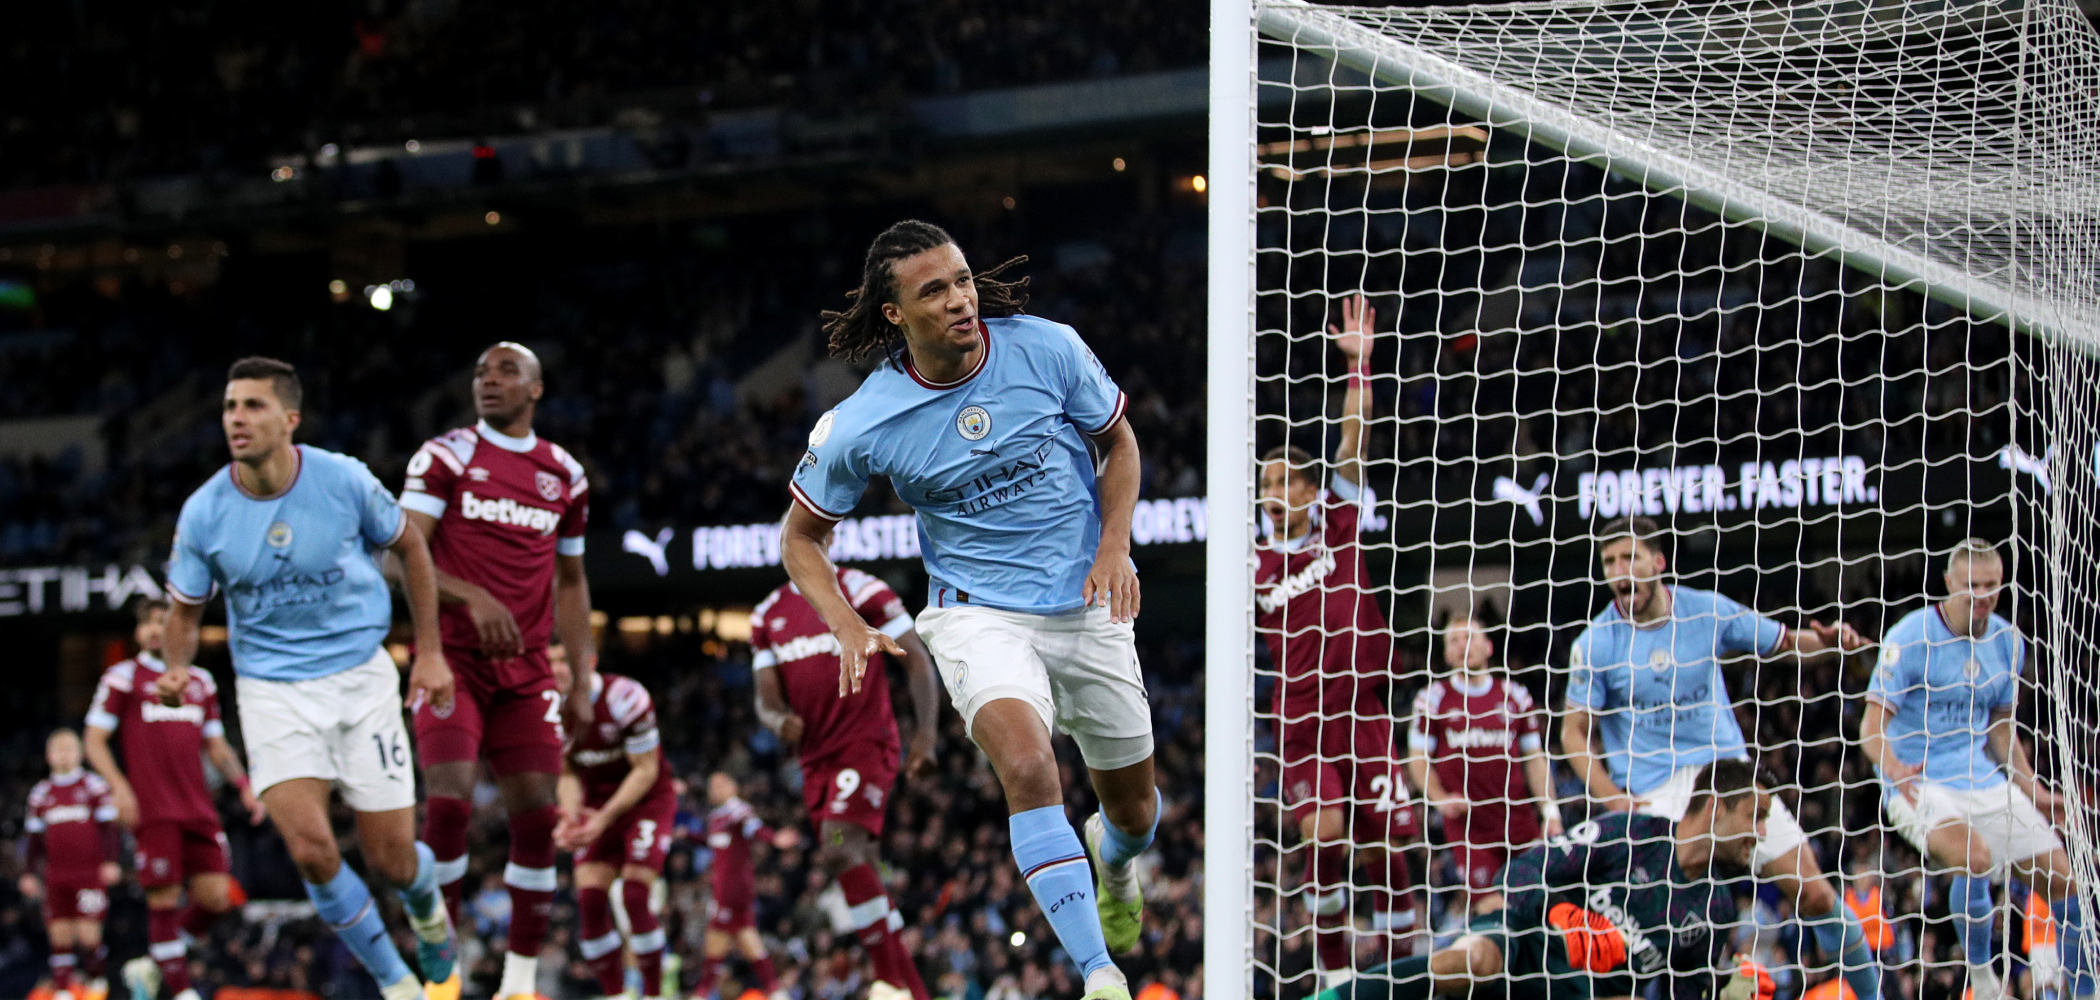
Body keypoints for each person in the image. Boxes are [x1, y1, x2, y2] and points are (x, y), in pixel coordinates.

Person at [782, 219, 1158, 1000]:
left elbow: (1119, 444)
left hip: (1087, 603)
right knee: (1026, 764)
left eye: (961, 279)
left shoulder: (1047, 347)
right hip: (975, 613)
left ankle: (1114, 860)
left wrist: (1113, 545)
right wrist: (846, 621)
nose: (960, 299)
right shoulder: (862, 422)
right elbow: (801, 540)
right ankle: (1101, 975)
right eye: (935, 291)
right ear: (895, 314)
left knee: (1136, 812)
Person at [158, 356, 457, 1000]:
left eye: (253, 406)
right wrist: (176, 670)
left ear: (291, 419)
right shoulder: (204, 511)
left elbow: (411, 547)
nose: (236, 418)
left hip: (362, 681)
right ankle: (396, 983)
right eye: (230, 406)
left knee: (393, 862)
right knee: (314, 852)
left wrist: (428, 651)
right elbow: (184, 611)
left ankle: (427, 905)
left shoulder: (343, 479)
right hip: (272, 693)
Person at [1560, 515, 1879, 1000]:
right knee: (1644, 941)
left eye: (1631, 557)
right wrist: (1613, 801)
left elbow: (1787, 644)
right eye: (1609, 561)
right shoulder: (1595, 643)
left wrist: (1832, 643)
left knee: (1815, 895)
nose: (1620, 571)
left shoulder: (1705, 611)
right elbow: (1573, 731)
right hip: (1654, 797)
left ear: (1658, 561)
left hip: (1726, 781)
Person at [396, 341, 597, 1000]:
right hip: (451, 661)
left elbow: (571, 582)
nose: (489, 380)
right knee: (448, 803)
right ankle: (441, 974)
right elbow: (399, 555)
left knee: (539, 818)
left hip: (529, 670)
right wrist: (470, 596)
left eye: (507, 371)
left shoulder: (563, 474)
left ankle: (518, 983)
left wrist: (585, 680)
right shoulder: (447, 455)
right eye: (481, 371)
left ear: (536, 389)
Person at [1256, 294, 1421, 977]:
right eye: (1264, 482)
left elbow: (1354, 440)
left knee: (1384, 850)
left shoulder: (1339, 518)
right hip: (1301, 719)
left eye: (1283, 480)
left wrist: (1359, 368)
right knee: (1323, 833)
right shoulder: (1250, 558)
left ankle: (1402, 966)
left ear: (1306, 486)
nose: (1271, 491)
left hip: (1367, 710)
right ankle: (1333, 970)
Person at [1311, 759, 1779, 1000]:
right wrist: (1566, 916)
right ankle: (1338, 995)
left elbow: (1683, 990)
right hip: (1531, 941)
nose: (1760, 835)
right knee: (1472, 960)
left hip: (1584, 992)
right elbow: (1532, 866)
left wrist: (1724, 994)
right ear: (1717, 807)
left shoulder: (1715, 909)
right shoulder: (1631, 834)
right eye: (1756, 817)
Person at [1859, 538, 2085, 1000]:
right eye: (1971, 586)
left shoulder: (2007, 642)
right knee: (1974, 857)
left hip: (1981, 779)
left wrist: (2033, 791)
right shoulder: (1910, 637)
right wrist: (1895, 768)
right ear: (1948, 584)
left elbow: (2001, 731)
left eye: (1991, 586)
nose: (1981, 596)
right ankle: (1983, 983)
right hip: (1920, 783)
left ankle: (2086, 990)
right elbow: (1869, 728)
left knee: (2065, 879)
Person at [751, 556, 940, 1000]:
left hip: (865, 744)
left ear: (827, 540)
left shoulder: (862, 590)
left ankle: (888, 982)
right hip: (815, 762)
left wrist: (927, 733)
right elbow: (765, 699)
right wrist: (777, 721)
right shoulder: (767, 613)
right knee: (859, 865)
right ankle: (913, 990)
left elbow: (917, 662)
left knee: (839, 846)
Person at [85, 597, 266, 1000]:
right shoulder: (123, 676)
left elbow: (216, 746)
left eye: (163, 622)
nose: (155, 630)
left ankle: (152, 965)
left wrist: (245, 786)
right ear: (137, 632)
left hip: (199, 808)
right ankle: (182, 991)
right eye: (148, 623)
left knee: (218, 898)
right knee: (163, 899)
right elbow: (94, 740)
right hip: (154, 809)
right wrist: (119, 785)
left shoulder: (200, 681)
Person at [1406, 615, 1562, 924]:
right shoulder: (1433, 699)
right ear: (1446, 654)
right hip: (1470, 830)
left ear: (1489, 646)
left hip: (1519, 823)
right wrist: (1440, 798)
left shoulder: (1516, 696)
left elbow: (1534, 759)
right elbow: (1418, 759)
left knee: (1539, 908)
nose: (1463, 645)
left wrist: (1551, 814)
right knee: (1494, 913)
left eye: (1471, 637)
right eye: (1454, 641)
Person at [550, 644, 676, 1000]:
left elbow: (646, 769)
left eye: (563, 659)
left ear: (587, 661)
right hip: (595, 803)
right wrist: (571, 817)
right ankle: (615, 995)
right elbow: (568, 772)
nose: (556, 669)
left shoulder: (625, 697)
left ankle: (653, 994)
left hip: (646, 800)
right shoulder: (548, 708)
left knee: (636, 896)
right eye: (549, 662)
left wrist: (602, 819)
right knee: (589, 900)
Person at [20, 730, 120, 1000]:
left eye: (69, 749)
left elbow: (109, 827)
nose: (64, 755)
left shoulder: (93, 786)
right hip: (56, 874)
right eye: (58, 750)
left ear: (79, 754)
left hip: (88, 873)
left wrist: (111, 861)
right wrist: (29, 873)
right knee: (59, 935)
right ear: (49, 756)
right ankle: (63, 991)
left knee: (89, 936)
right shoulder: (41, 793)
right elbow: (34, 838)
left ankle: (97, 983)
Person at [698, 772, 801, 1000]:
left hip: (733, 888)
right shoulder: (716, 817)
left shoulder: (738, 810)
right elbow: (713, 844)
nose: (716, 789)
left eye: (722, 783)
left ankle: (701, 993)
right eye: (712, 785)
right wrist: (688, 836)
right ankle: (776, 990)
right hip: (725, 886)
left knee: (717, 939)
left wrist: (773, 838)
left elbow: (752, 827)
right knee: (746, 939)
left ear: (734, 787)